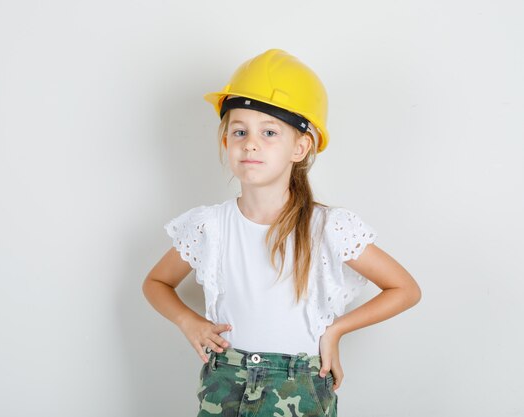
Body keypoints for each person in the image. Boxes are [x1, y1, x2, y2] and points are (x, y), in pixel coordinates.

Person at [142, 48, 421, 417]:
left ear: (301, 147)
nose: (250, 142)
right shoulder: (209, 225)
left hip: (300, 384)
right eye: (239, 131)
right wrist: (187, 320)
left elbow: (405, 289)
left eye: (269, 132)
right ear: (226, 141)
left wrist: (335, 331)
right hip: (225, 381)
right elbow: (156, 283)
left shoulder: (328, 228)